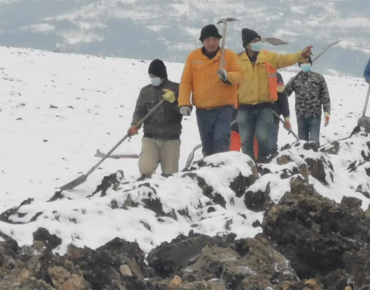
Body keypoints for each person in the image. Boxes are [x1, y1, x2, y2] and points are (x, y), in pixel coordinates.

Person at [236, 28, 311, 161]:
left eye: (259, 40)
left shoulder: (268, 57)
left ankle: (263, 162)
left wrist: (300, 55)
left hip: (265, 107)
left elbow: (285, 59)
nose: (258, 42)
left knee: (264, 138)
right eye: (254, 41)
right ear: (247, 44)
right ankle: (250, 167)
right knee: (246, 141)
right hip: (244, 107)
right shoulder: (236, 60)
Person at [178, 24, 245, 156]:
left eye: (214, 39)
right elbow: (186, 82)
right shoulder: (193, 57)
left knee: (221, 141)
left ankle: (222, 170)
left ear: (219, 40)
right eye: (208, 40)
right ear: (202, 41)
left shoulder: (229, 56)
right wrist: (184, 103)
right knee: (207, 147)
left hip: (224, 109)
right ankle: (209, 173)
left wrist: (227, 76)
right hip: (202, 111)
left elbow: (241, 75)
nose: (211, 43)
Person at [129, 59, 181, 177]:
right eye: (150, 76)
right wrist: (135, 125)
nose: (152, 78)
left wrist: (174, 101)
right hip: (150, 138)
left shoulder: (177, 89)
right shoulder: (145, 92)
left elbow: (186, 111)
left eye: (155, 76)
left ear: (162, 76)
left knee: (171, 176)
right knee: (146, 171)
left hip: (171, 139)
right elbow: (139, 111)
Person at [284, 59, 331, 145]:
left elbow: (325, 96)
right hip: (301, 116)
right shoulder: (295, 79)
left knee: (314, 143)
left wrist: (327, 112)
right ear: (300, 65)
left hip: (315, 116)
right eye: (303, 63)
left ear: (311, 64)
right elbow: (284, 94)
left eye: (307, 62)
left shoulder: (318, 78)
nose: (305, 64)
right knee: (302, 145)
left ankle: (315, 158)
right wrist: (282, 87)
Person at [269, 72, 292, 153]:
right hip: (254, 115)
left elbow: (283, 97)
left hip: (273, 116)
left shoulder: (277, 76)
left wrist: (286, 118)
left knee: (271, 145)